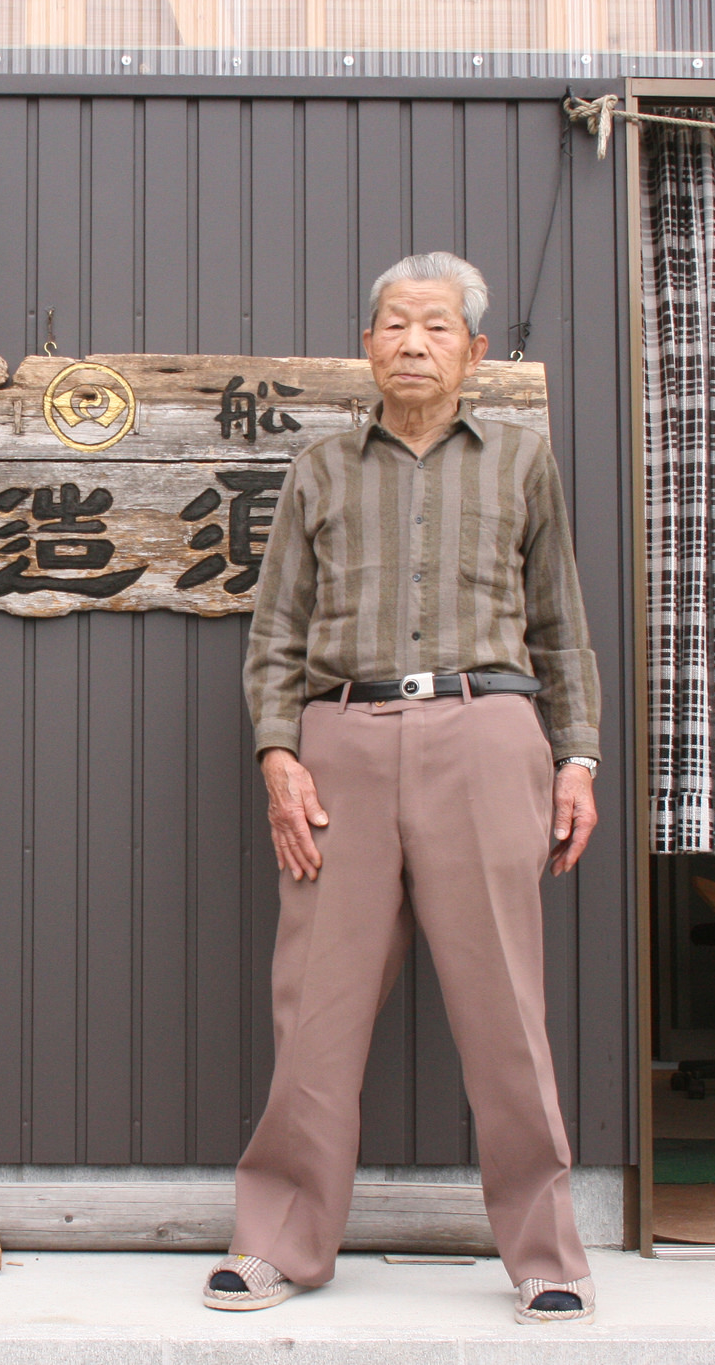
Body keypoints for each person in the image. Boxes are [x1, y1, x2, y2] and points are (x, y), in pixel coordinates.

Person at [207, 251, 601, 1324]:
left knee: (503, 1008)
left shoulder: (519, 462)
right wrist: (276, 755)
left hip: (486, 735)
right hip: (340, 746)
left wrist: (576, 756)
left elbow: (560, 625)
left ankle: (546, 1255)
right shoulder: (321, 469)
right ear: (366, 345)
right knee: (316, 1008)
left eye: (435, 326)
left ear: (474, 350)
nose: (412, 343)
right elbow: (276, 630)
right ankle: (278, 1242)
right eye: (392, 324)